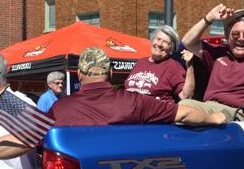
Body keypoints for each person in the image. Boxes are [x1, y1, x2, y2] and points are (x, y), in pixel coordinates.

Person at [50, 47, 226, 126]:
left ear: (79, 74)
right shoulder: (135, 102)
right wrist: (214, 119)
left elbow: (25, 140)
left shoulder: (59, 108)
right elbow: (185, 112)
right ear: (111, 73)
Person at [124, 25, 194, 103]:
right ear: (152, 40)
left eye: (165, 42)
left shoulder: (173, 66)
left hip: (155, 113)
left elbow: (186, 96)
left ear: (171, 49)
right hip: (129, 110)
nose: (160, 44)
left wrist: (190, 66)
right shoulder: (140, 62)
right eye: (158, 39)